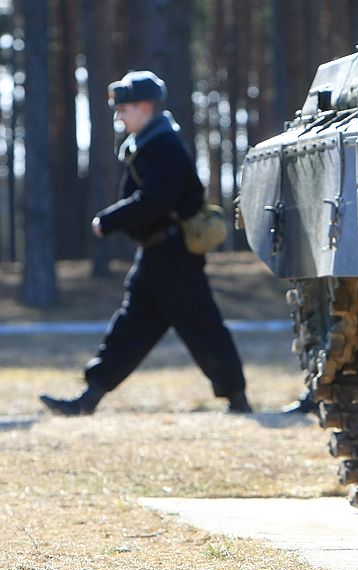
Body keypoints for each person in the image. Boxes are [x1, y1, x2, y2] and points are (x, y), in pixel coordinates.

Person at [40, 71, 252, 415]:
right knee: (129, 329)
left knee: (203, 328)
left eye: (123, 109)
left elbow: (156, 199)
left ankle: (238, 401)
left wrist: (108, 221)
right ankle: (88, 398)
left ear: (143, 107)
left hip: (174, 256)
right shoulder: (150, 142)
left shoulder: (164, 144)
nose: (119, 117)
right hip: (157, 254)